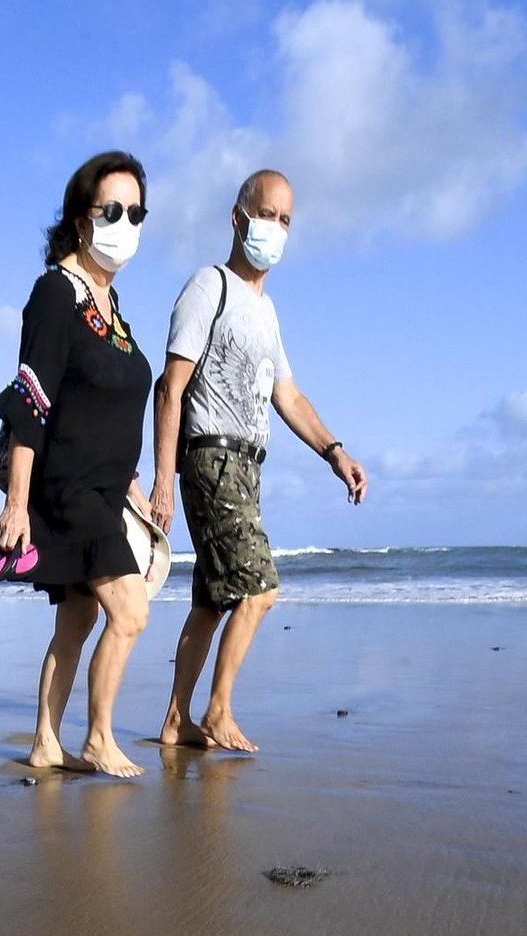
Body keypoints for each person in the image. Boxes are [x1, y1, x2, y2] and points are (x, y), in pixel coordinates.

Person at [149, 170, 367, 753]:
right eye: (267, 214)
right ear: (238, 216)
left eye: (286, 220)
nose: (275, 228)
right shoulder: (208, 287)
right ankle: (218, 711)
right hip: (210, 457)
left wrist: (334, 451)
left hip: (247, 467)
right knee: (261, 590)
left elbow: (288, 396)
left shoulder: (267, 314)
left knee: (213, 600)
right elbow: (169, 388)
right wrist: (163, 484)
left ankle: (176, 721)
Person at [0, 152, 155, 778]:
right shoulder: (55, 293)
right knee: (130, 611)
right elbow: (31, 399)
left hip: (108, 491)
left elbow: (109, 408)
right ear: (80, 218)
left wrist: (135, 484)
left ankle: (45, 743)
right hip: (67, 489)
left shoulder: (113, 309)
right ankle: (99, 740)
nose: (125, 224)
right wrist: (16, 503)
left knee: (80, 616)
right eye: (111, 210)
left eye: (136, 213)